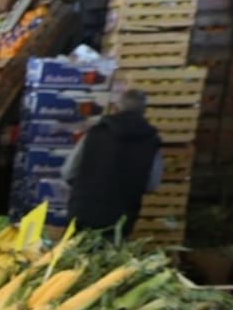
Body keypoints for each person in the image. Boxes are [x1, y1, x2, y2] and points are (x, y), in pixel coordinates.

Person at [63, 88, 163, 237]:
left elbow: (68, 172)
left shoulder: (96, 132)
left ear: (117, 107)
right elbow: (152, 184)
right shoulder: (152, 141)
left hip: (83, 211)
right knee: (112, 252)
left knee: (76, 250)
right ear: (144, 111)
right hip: (121, 219)